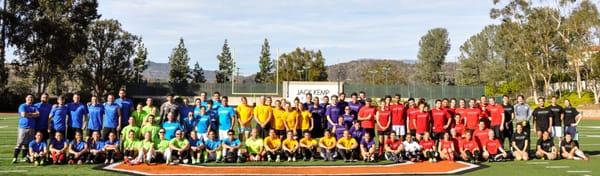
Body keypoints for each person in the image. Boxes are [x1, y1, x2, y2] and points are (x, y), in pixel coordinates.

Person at [14, 94, 39, 164]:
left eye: (31, 98)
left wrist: (29, 114)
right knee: (20, 143)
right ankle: (15, 157)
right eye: (28, 97)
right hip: (23, 127)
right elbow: (23, 114)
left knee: (27, 144)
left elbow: (38, 114)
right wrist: (32, 114)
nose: (30, 99)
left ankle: (24, 157)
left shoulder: (34, 106)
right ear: (26, 99)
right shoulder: (23, 106)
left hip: (32, 127)